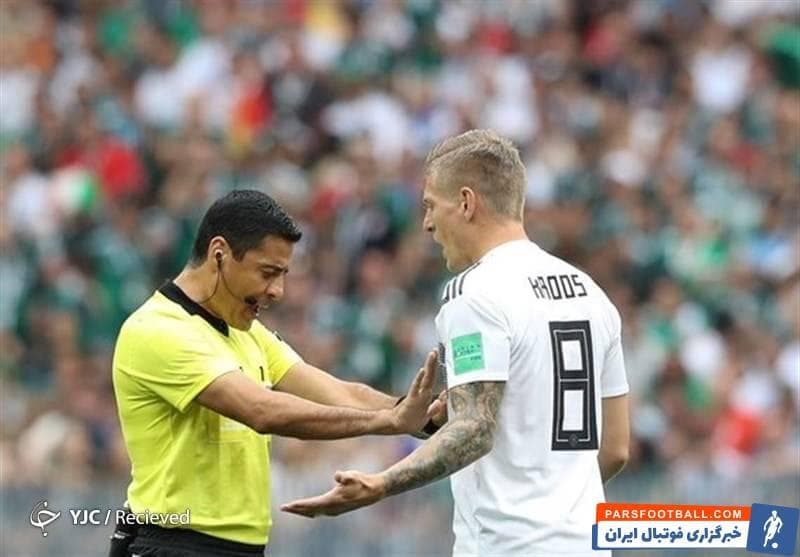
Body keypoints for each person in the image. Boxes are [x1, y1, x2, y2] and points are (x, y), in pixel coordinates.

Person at [282, 130, 631, 557]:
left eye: (431, 205)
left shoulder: (476, 292)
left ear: (466, 203)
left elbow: (475, 429)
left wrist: (380, 484)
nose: (426, 223)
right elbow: (615, 449)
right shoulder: (592, 294)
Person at [109, 189, 443, 557]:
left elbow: (340, 392)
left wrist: (424, 416)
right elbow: (262, 411)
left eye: (283, 275)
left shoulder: (247, 331)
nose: (278, 291)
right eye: (267, 273)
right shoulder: (157, 330)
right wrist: (388, 421)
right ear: (219, 253)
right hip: (172, 542)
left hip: (240, 548)